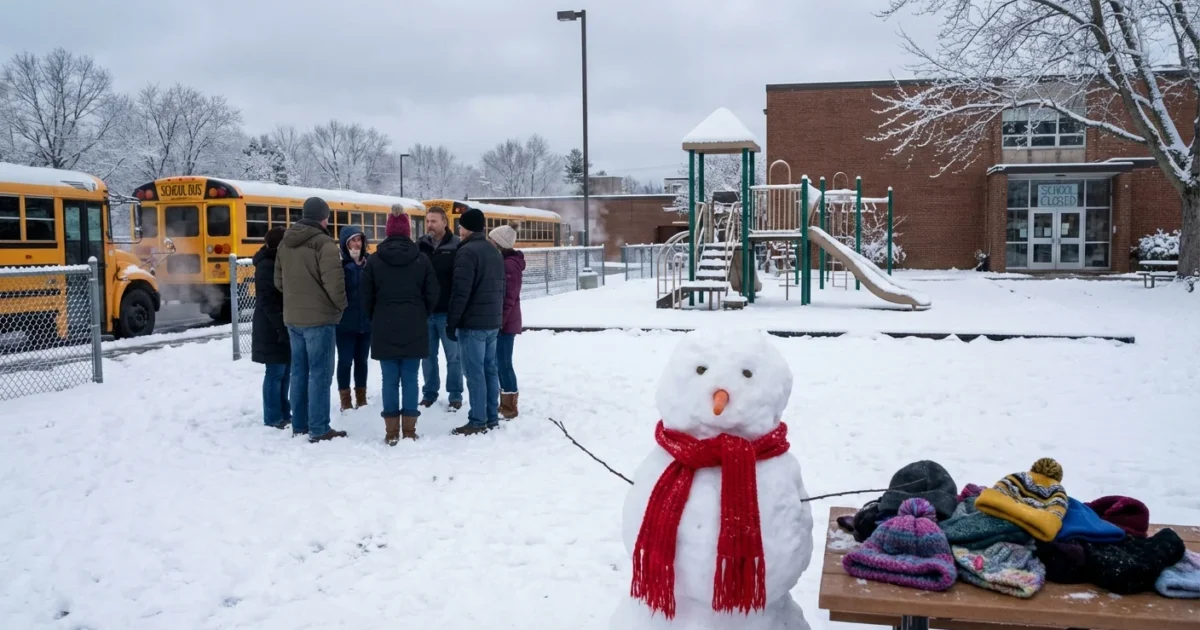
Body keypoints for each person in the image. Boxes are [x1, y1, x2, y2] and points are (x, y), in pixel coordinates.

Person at [274, 196, 348, 442]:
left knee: (299, 372)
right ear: (324, 218)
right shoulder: (324, 244)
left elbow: (278, 282)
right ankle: (319, 428)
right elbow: (334, 284)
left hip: (293, 319)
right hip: (320, 319)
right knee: (320, 374)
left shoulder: (285, 243)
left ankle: (300, 425)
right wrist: (342, 306)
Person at [363, 206, 438, 445]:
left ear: (387, 232)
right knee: (410, 378)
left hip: (384, 325)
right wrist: (421, 312)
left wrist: (376, 314)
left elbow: (365, 296)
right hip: (414, 325)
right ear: (407, 232)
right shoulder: (421, 259)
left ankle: (391, 431)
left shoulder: (375, 260)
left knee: (389, 379)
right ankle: (409, 429)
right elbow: (432, 293)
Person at [446, 207, 505, 435]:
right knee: (489, 370)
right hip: (492, 322)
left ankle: (477, 420)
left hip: (473, 324)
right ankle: (491, 416)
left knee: (474, 373)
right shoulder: (494, 251)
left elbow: (461, 291)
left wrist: (452, 322)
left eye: (461, 225)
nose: (459, 230)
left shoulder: (467, 252)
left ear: (467, 227)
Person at [416, 207, 463, 410]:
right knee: (427, 356)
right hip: (426, 312)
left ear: (445, 222)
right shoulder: (420, 245)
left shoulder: (457, 246)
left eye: (434, 221)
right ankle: (429, 393)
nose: (429, 225)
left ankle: (455, 395)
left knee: (454, 357)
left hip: (447, 311)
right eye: (427, 221)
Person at [251, 226, 290, 429]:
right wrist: (281, 326)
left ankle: (284, 412)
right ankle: (273, 417)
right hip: (271, 327)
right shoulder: (267, 265)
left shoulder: (278, 262)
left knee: (285, 372)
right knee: (275, 372)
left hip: (280, 324)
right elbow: (268, 301)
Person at [488, 224, 525, 420]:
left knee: (503, 363)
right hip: (505, 321)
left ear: (499, 244)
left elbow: (509, 298)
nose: (489, 242)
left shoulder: (509, 265)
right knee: (499, 362)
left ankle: (510, 406)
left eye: (492, 240)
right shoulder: (506, 262)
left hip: (505, 323)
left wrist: (499, 322)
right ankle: (506, 403)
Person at [336, 226, 371, 411]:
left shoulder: (369, 263)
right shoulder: (339, 264)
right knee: (345, 361)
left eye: (359, 240)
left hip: (365, 323)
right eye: (353, 240)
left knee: (362, 361)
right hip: (344, 323)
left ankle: (361, 397)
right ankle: (345, 399)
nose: (357, 244)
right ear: (345, 243)